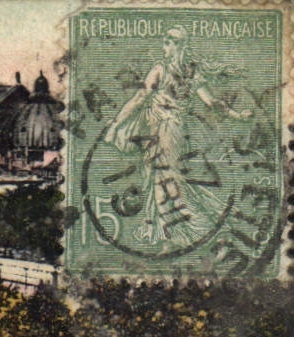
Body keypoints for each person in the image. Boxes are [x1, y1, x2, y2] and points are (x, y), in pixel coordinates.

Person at [103, 26, 254, 252]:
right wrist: (237, 115)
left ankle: (181, 235)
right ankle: (169, 231)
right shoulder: (190, 74)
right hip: (162, 132)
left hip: (166, 133)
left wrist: (116, 124)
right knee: (162, 179)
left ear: (177, 46)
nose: (164, 46)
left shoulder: (161, 71)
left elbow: (139, 98)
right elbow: (212, 102)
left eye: (167, 42)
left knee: (164, 181)